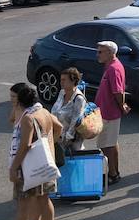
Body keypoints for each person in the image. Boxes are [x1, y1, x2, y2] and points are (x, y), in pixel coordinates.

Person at [0, 82, 61, 220]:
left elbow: (25, 145)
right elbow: (59, 128)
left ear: (20, 102)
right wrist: (50, 145)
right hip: (45, 164)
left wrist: (14, 168)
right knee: (45, 200)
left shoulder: (28, 118)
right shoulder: (44, 112)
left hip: (29, 167)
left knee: (23, 206)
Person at [96, 41, 129, 185]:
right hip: (106, 111)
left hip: (109, 113)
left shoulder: (113, 69)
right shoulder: (109, 66)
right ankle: (114, 172)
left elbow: (118, 91)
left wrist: (122, 106)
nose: (98, 54)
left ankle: (113, 173)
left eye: (100, 51)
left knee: (105, 144)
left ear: (110, 53)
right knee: (111, 143)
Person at [49, 68, 88, 159]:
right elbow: (55, 111)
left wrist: (66, 138)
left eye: (64, 80)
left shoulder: (79, 99)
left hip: (71, 142)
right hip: (57, 137)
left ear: (73, 81)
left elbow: (75, 121)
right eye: (61, 79)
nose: (61, 82)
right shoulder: (62, 93)